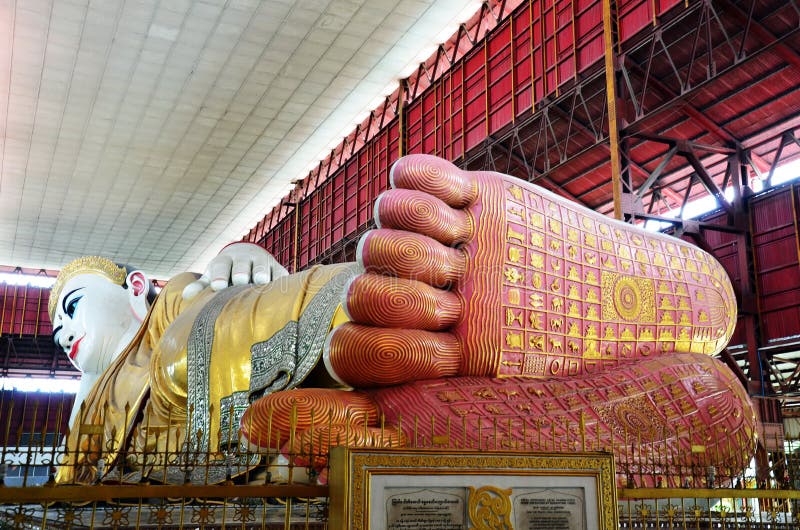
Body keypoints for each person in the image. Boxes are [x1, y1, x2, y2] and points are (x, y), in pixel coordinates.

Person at [51, 154, 757, 485]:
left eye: (75, 307)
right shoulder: (85, 420)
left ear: (135, 284)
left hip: (225, 376)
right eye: (56, 334)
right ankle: (444, 404)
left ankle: (420, 310)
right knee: (324, 425)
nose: (66, 336)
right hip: (236, 459)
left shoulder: (166, 305)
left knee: (188, 353)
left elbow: (216, 292)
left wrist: (237, 258)